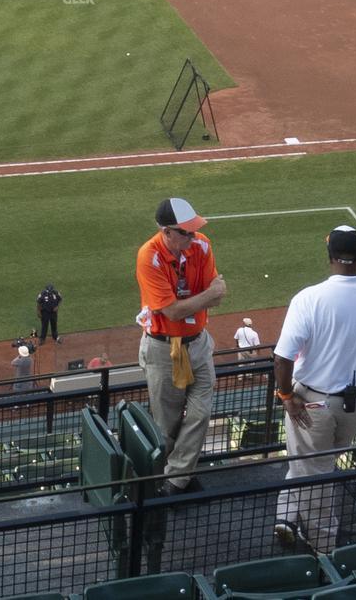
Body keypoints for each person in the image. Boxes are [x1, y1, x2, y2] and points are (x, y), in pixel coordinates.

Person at [271, 226, 356, 554]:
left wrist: (286, 396)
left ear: (330, 258)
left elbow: (282, 358)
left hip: (314, 404)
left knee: (316, 473)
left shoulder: (309, 298)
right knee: (312, 462)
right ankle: (286, 517)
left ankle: (324, 549)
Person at [136, 198, 227, 492]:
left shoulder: (202, 244)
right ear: (167, 232)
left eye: (193, 230)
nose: (193, 236)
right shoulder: (148, 256)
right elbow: (173, 311)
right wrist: (203, 298)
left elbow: (217, 295)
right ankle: (165, 479)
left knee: (201, 413)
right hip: (163, 348)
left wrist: (193, 302)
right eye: (185, 232)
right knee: (167, 423)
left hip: (198, 343)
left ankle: (176, 478)